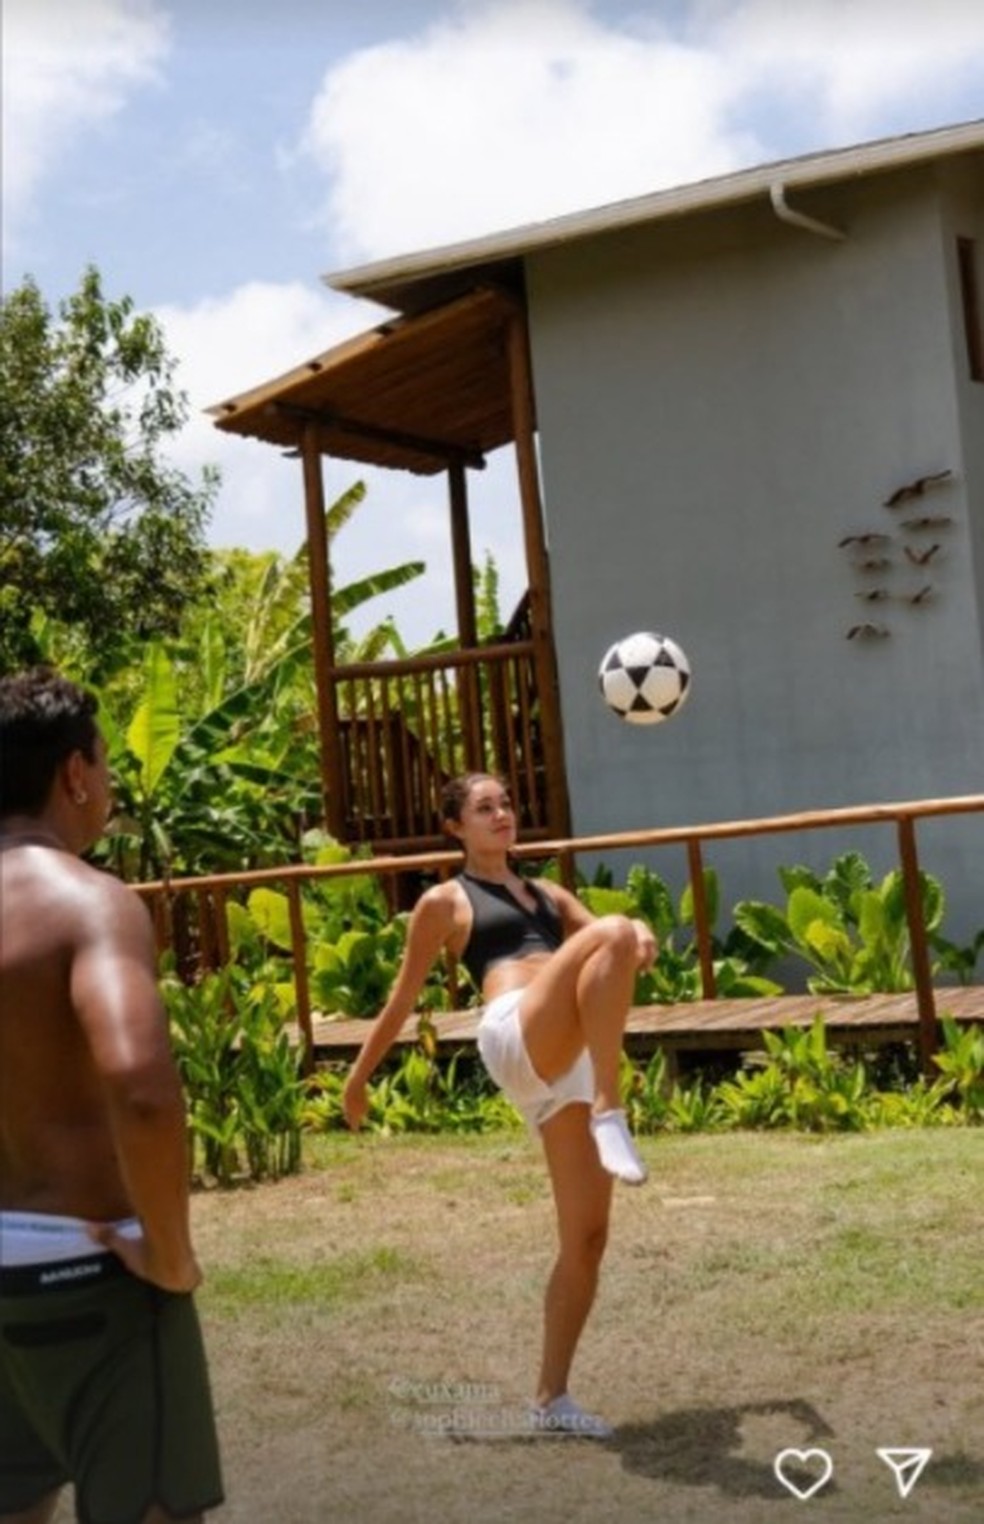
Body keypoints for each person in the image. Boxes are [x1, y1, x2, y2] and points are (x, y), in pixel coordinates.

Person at [343, 771, 656, 1439]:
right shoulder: (445, 901)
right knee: (616, 930)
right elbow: (402, 998)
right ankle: (611, 1108)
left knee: (587, 1240)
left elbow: (611, 942)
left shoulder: (547, 893)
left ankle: (550, 1400)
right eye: (484, 808)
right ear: (455, 826)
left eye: (507, 803)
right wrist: (358, 1078)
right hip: (516, 1029)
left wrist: (640, 935)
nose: (502, 814)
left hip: (568, 1054)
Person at [0, 669, 223, 1524]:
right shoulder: (90, 904)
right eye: (106, 765)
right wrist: (170, 1252)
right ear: (74, 775)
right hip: (93, 1282)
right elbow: (141, 1090)